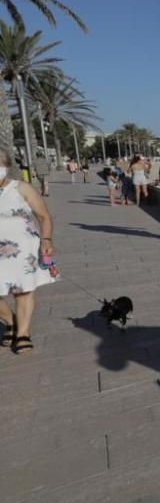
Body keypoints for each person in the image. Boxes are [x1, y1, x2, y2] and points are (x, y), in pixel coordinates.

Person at [0, 149, 59, 354]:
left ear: (6, 167)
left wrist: (47, 239)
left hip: (23, 249)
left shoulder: (22, 188)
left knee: (23, 290)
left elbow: (44, 217)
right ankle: (9, 321)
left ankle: (23, 333)